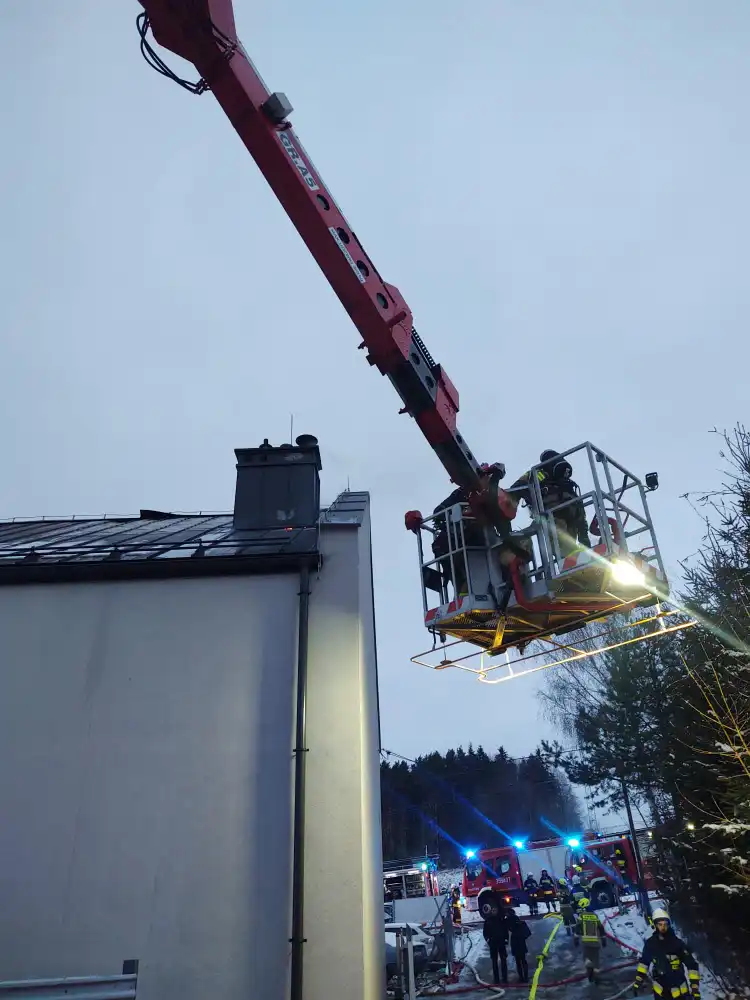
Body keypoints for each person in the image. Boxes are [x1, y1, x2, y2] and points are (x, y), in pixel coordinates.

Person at [509, 449, 590, 558]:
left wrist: (527, 498)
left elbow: (517, 488)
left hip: (553, 516)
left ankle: (577, 563)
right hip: (572, 515)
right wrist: (584, 536)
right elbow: (579, 508)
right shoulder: (565, 481)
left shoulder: (539, 473)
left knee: (565, 552)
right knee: (570, 552)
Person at [633, 908, 700, 1000]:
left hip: (680, 991)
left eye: (665, 924)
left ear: (669, 925)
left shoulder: (677, 944)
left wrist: (695, 989)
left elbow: (692, 965)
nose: (663, 927)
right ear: (655, 925)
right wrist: (638, 981)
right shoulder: (651, 944)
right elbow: (644, 963)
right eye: (660, 924)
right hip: (660, 992)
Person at [574, 897, 607, 983]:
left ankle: (590, 975)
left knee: (587, 959)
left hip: (586, 943)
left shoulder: (581, 916)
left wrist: (576, 939)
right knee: (596, 960)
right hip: (596, 943)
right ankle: (596, 977)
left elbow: (578, 928)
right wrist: (603, 939)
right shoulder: (595, 916)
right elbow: (601, 928)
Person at [482, 904, 509, 985]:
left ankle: (505, 978)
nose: (494, 912)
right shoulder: (488, 921)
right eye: (493, 910)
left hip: (501, 943)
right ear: (491, 911)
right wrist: (488, 940)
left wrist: (506, 939)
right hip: (493, 944)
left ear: (497, 911)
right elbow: (485, 932)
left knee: (503, 961)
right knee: (494, 962)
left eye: (495, 910)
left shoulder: (501, 920)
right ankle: (496, 979)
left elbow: (505, 930)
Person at [506, 908, 532, 983]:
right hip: (520, 941)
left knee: (518, 961)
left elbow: (509, 928)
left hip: (515, 941)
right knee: (523, 960)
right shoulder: (517, 920)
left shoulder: (508, 921)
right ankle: (526, 977)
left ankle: (521, 977)